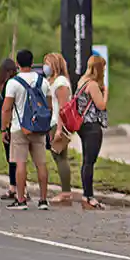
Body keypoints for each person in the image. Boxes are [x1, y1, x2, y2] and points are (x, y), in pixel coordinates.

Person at [0, 49, 52, 210]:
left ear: (17, 64)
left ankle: (21, 199)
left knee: (20, 163)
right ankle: (43, 200)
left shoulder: (13, 83)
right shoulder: (43, 81)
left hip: (19, 128)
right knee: (41, 163)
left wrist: (4, 128)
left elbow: (6, 108)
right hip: (39, 127)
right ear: (32, 61)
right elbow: (48, 105)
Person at [74, 54, 110, 210]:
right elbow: (101, 105)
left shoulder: (82, 80)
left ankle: (86, 194)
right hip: (92, 126)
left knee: (86, 160)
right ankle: (88, 195)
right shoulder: (93, 85)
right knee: (89, 161)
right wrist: (106, 92)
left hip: (83, 126)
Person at [43, 52, 74, 204]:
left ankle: (66, 192)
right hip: (53, 122)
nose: (45, 67)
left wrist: (60, 130)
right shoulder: (53, 81)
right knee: (58, 157)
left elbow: (63, 108)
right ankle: (65, 191)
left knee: (60, 157)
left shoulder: (61, 82)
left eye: (47, 63)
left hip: (58, 123)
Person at [0, 56, 18, 198]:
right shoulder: (13, 83)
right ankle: (14, 186)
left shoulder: (6, 85)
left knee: (12, 157)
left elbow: (5, 108)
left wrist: (4, 128)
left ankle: (14, 187)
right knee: (13, 157)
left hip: (8, 124)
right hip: (11, 123)